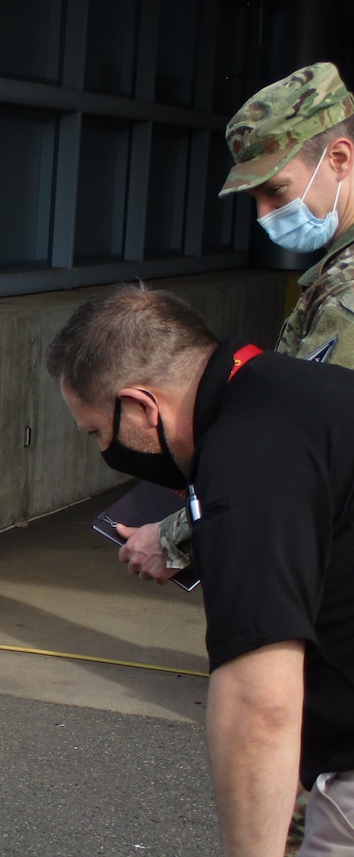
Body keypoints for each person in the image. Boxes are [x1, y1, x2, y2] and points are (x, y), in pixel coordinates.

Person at [46, 285, 354, 857]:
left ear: (142, 407)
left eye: (98, 433)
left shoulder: (248, 457)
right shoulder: (309, 392)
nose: (106, 452)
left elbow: (259, 705)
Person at [117, 62, 354, 584]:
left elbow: (299, 450)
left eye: (277, 191)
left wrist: (178, 536)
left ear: (338, 158)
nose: (266, 214)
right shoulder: (334, 273)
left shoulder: (346, 294)